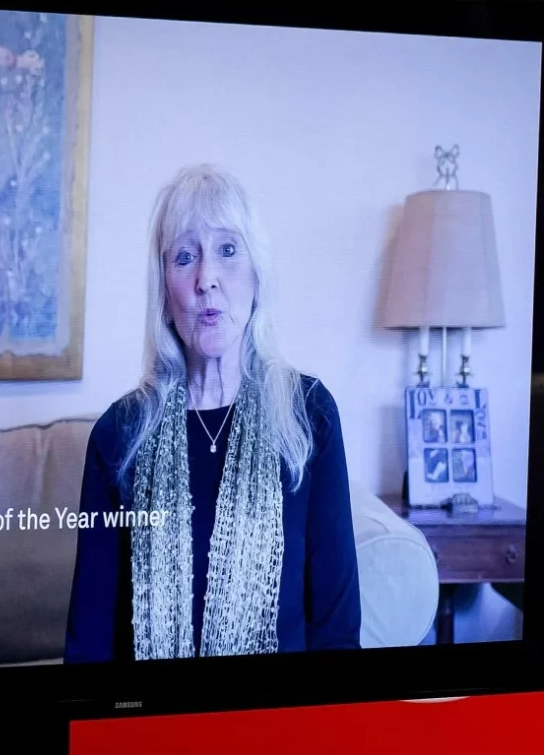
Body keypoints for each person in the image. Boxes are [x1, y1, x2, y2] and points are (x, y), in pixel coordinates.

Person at [63, 166, 359, 662]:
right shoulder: (119, 436)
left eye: (227, 250)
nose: (206, 280)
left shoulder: (309, 416)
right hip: (150, 728)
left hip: (279, 727)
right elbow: (89, 641)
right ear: (164, 293)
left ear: (257, 274)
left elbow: (336, 628)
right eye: (184, 257)